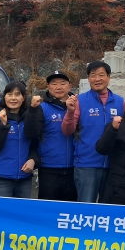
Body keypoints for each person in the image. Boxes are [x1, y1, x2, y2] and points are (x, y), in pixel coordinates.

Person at [62, 61, 124, 203]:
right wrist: (70, 112)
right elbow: (67, 130)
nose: (97, 79)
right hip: (86, 165)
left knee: (108, 208)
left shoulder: (120, 102)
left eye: (101, 75)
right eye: (93, 75)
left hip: (113, 165)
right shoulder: (80, 100)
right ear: (88, 78)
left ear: (109, 77)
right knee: (86, 207)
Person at [24, 70, 78, 202]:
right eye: (54, 84)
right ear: (48, 87)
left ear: (70, 87)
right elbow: (31, 133)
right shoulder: (42, 107)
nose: (58, 87)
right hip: (49, 168)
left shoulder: (78, 106)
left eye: (62, 83)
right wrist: (32, 110)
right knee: (48, 208)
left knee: (69, 209)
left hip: (74, 167)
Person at [0, 81, 39, 198]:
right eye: (9, 94)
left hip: (24, 178)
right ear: (4, 97)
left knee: (22, 210)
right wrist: (2, 125)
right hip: (0, 178)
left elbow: (34, 144)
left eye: (17, 94)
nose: (13, 98)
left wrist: (33, 159)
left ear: (23, 98)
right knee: (0, 210)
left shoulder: (28, 118)